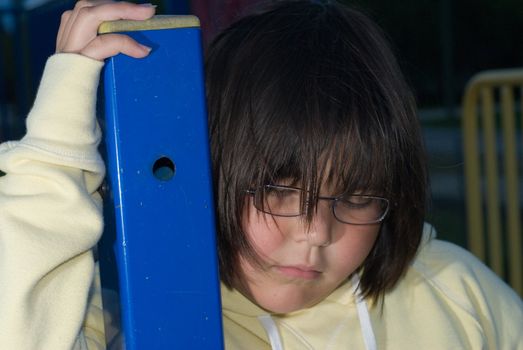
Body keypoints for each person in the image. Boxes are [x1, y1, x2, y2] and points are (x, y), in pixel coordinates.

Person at [0, 0, 521, 349]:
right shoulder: (135, 323)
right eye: (281, 189)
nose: (317, 234)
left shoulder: (457, 293)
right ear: (212, 169)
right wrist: (56, 146)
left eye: (358, 197)